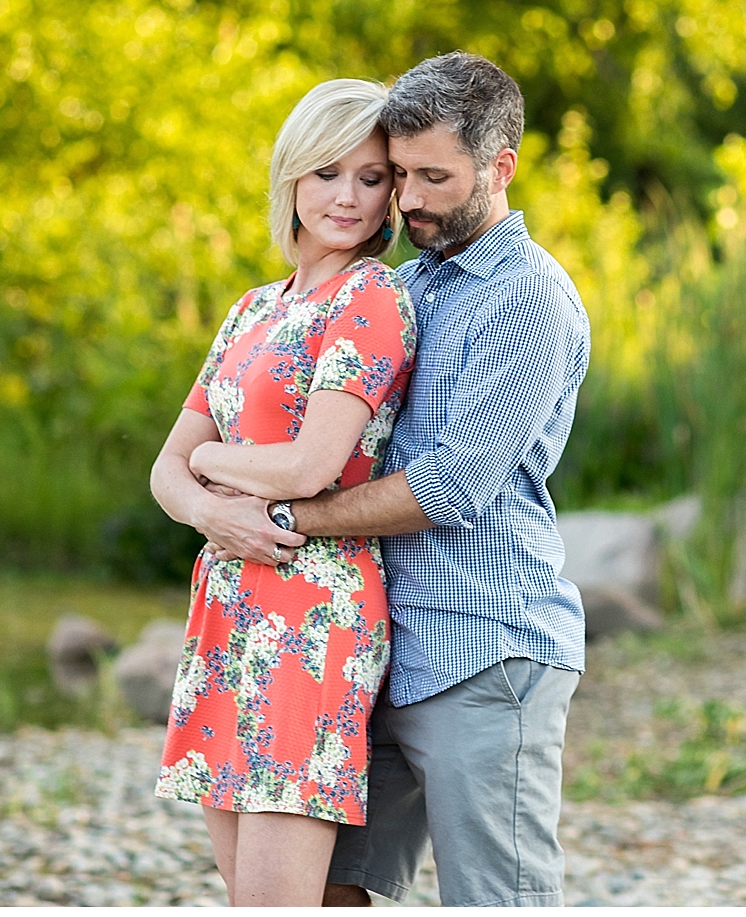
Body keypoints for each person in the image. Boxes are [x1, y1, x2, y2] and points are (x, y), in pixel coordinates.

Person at [253, 51, 591, 907]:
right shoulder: (403, 286)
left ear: (500, 167)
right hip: (377, 647)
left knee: (497, 899)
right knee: (339, 890)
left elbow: (451, 488)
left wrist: (288, 512)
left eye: (433, 177)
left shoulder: (528, 298)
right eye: (398, 175)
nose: (406, 201)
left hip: (484, 648)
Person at [147, 77, 417, 907]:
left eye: (372, 179)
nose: (347, 197)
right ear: (292, 177)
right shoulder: (253, 309)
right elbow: (164, 469)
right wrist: (207, 508)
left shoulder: (369, 298)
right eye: (327, 173)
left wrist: (215, 465)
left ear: (392, 196)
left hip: (311, 616)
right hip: (227, 605)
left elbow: (312, 467)